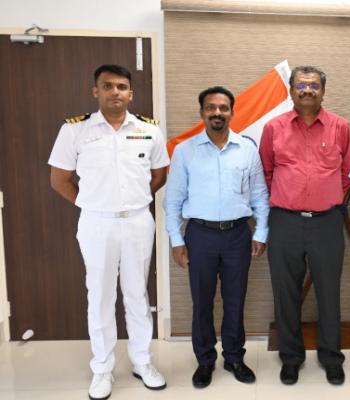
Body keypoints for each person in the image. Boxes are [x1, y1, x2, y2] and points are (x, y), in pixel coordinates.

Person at [48, 64, 168, 400]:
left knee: (137, 294)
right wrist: (91, 203)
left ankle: (142, 362)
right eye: (108, 86)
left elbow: (159, 175)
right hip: (96, 222)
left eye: (122, 86)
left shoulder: (148, 129)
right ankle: (102, 368)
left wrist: (134, 200)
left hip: (137, 221)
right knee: (100, 295)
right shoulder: (75, 130)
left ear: (131, 93)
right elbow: (59, 179)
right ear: (96, 91)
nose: (115, 92)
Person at [164, 86, 269, 388]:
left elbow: (260, 195)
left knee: (235, 300)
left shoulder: (247, 149)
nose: (217, 113)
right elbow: (172, 200)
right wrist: (176, 240)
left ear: (232, 112)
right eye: (211, 107)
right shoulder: (185, 151)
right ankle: (205, 360)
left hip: (238, 234)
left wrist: (261, 232)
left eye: (223, 108)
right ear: (202, 113)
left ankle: (234, 357)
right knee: (202, 301)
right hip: (200, 235)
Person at [259, 65, 350, 385]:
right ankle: (291, 357)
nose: (308, 90)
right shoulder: (273, 127)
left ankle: (331, 357)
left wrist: (325, 195)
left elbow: (348, 174)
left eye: (314, 85)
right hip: (284, 221)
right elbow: (266, 171)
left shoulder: (340, 127)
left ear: (323, 91)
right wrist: (288, 195)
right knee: (285, 292)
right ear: (291, 91)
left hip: (327, 222)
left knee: (329, 292)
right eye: (301, 85)